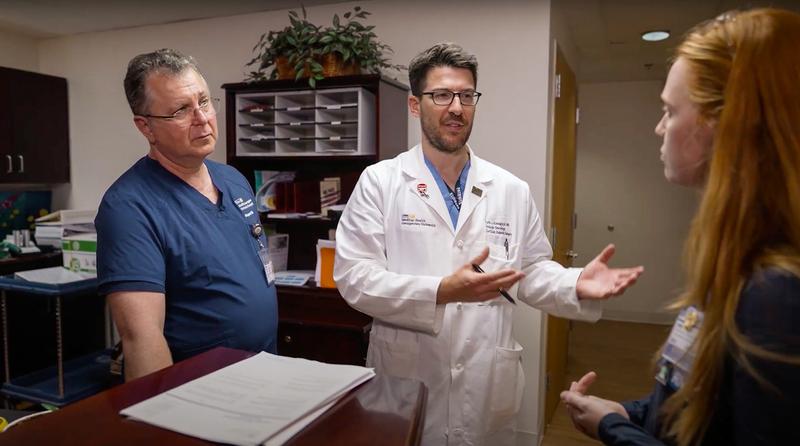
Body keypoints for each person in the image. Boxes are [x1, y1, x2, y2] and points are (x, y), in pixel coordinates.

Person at [334, 42, 644, 446]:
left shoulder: (510, 189)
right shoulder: (380, 182)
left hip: (484, 379)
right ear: (415, 105)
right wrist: (440, 292)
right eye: (441, 95)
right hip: (407, 373)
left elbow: (530, 270)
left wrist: (575, 283)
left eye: (466, 95)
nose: (457, 108)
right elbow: (355, 277)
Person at [560, 8, 800, 445]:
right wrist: (628, 412)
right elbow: (697, 402)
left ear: (723, 125)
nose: (658, 128)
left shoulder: (777, 296)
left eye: (670, 111)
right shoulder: (738, 262)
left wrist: (611, 428)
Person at [96, 49, 278, 381]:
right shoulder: (129, 207)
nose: (202, 118)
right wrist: (160, 419)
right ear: (146, 127)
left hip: (265, 370)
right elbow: (142, 339)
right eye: (181, 110)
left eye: (204, 102)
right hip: (199, 391)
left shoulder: (233, 180)